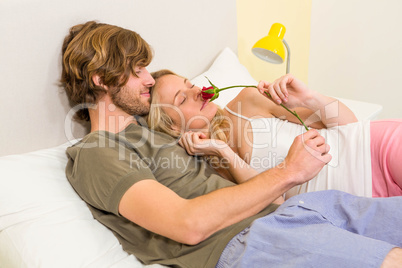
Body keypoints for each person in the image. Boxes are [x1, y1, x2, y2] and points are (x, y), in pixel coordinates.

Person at [61, 21, 402, 267]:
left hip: (296, 211)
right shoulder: (98, 152)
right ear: (100, 79)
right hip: (252, 239)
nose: (148, 79)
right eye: (137, 70)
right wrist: (288, 170)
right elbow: (186, 224)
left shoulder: (165, 139)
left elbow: (274, 193)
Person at [148, 69, 402, 199]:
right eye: (182, 98)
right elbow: (273, 200)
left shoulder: (246, 102)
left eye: (191, 84)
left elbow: (350, 126)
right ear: (171, 126)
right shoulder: (201, 169)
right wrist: (221, 150)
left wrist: (309, 98)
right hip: (359, 205)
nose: (198, 92)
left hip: (377, 149)